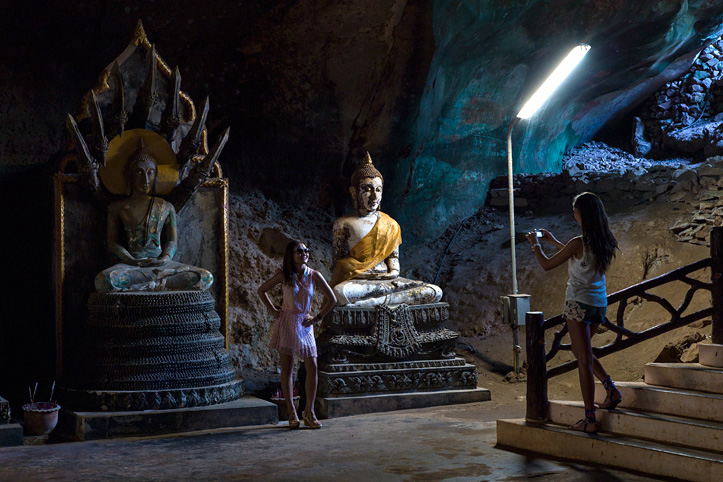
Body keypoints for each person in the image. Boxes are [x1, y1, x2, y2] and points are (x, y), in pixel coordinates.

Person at [525, 192, 622, 433]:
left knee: (584, 360)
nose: (573, 213)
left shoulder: (578, 242)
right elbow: (581, 258)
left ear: (582, 214)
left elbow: (547, 264)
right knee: (583, 353)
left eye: (574, 210)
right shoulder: (605, 239)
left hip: (577, 304)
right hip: (598, 303)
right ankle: (610, 388)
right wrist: (557, 242)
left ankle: (590, 419)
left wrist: (536, 245)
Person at [94, 138, 213, 292]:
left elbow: (172, 240)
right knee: (104, 280)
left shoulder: (165, 206)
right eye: (139, 172)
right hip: (132, 265)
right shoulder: (117, 208)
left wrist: (165, 258)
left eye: (150, 173)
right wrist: (132, 260)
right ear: (129, 176)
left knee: (205, 277)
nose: (145, 179)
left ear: (156, 176)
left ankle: (150, 284)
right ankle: (160, 283)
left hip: (162, 264)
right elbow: (112, 243)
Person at [331, 152, 442, 306]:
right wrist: (364, 273)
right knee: (339, 293)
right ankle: (387, 302)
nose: (373, 196)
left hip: (388, 282)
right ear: (354, 192)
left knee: (434, 291)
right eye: (367, 189)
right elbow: (338, 264)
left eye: (377, 189)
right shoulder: (343, 224)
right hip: (359, 283)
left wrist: (391, 275)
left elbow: (394, 264)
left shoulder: (391, 224)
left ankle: (369, 304)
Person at [257, 240, 337, 429]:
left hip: (304, 322)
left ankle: (309, 412)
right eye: (299, 251)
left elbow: (332, 298)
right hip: (287, 320)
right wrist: (273, 310)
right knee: (287, 366)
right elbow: (262, 290)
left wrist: (317, 318)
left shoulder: (314, 275)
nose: (304, 253)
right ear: (291, 255)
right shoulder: (284, 275)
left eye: (306, 250)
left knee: (312, 365)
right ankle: (292, 412)